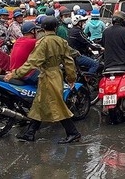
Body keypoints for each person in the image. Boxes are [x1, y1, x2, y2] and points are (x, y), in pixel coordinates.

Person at [5, 16, 81, 144]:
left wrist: (15, 74)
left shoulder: (43, 42)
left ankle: (73, 133)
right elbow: (69, 61)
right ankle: (30, 133)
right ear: (56, 28)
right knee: (39, 105)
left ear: (43, 29)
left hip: (47, 76)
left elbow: (32, 62)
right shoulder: (61, 41)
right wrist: (71, 78)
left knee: (58, 106)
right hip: (55, 75)